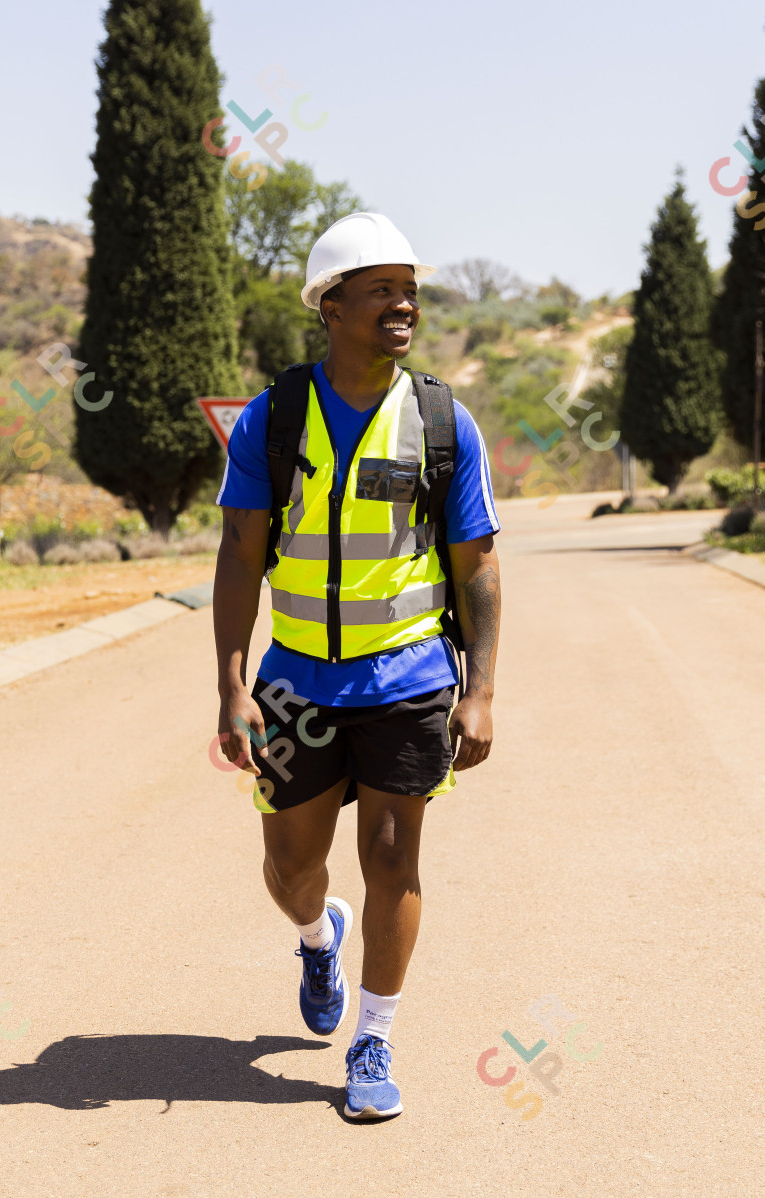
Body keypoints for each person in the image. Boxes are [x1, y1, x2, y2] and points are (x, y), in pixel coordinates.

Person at [211, 212, 502, 1120]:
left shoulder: (443, 424)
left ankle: (373, 1039)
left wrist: (482, 691)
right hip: (297, 683)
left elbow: (477, 565)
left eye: (409, 287)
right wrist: (231, 684)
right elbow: (238, 553)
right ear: (330, 306)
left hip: (407, 679)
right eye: (380, 288)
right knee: (293, 868)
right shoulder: (275, 418)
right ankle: (314, 939)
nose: (402, 303)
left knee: (391, 860)